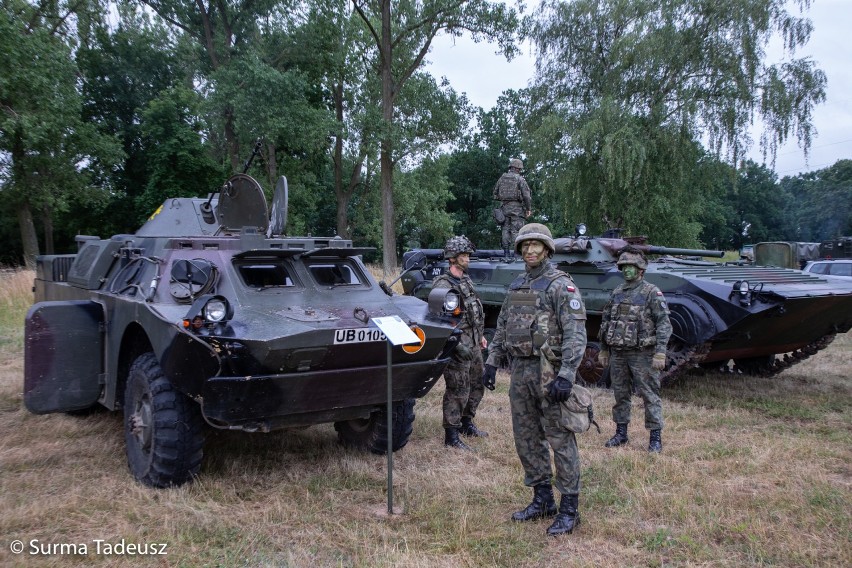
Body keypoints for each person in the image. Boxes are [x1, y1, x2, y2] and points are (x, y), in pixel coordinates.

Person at [481, 223, 587, 536]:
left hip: (549, 372)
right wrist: (491, 362)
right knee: (526, 438)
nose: (530, 250)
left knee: (560, 437)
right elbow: (504, 326)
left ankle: (569, 508)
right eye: (525, 246)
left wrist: (567, 374)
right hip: (521, 372)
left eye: (536, 245)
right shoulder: (519, 285)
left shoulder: (559, 285)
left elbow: (575, 333)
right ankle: (542, 499)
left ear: (547, 249)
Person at [598, 248, 673, 453]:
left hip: (642, 354)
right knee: (620, 394)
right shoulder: (617, 292)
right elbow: (606, 322)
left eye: (632, 267)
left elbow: (664, 324)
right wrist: (604, 349)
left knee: (649, 395)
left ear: (641, 270)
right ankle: (621, 433)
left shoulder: (651, 292)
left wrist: (660, 352)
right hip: (619, 353)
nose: (627, 271)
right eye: (624, 267)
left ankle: (655, 437)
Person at [433, 235, 489, 451]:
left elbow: (474, 310)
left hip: (473, 342)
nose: (468, 259)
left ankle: (467, 423)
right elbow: (439, 321)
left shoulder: (465, 280)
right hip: (457, 345)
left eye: (467, 255)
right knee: (458, 388)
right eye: (464, 255)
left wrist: (480, 334)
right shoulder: (442, 285)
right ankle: (452, 435)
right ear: (453, 258)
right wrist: (457, 344)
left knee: (476, 383)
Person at [492, 158, 532, 258]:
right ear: (518, 168)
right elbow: (526, 196)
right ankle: (517, 254)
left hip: (504, 208)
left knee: (505, 230)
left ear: (510, 167)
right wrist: (528, 209)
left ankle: (506, 253)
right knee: (516, 231)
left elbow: (495, 194)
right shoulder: (520, 179)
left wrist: (504, 199)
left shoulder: (502, 178)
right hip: (517, 209)